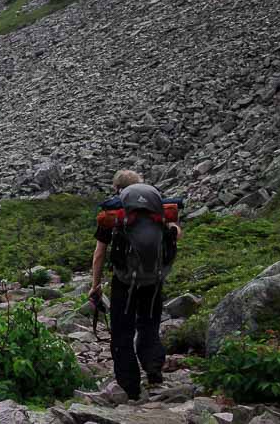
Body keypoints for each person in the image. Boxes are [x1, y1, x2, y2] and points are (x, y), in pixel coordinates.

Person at [89, 170, 182, 400]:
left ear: (117, 189)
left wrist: (95, 285)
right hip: (154, 279)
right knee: (149, 325)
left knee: (122, 331)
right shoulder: (158, 207)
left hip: (124, 281)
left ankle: (130, 387)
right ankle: (154, 373)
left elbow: (99, 254)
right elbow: (175, 235)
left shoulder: (114, 212)